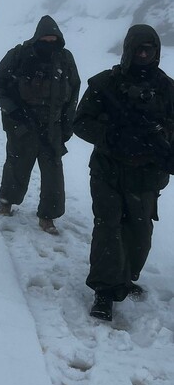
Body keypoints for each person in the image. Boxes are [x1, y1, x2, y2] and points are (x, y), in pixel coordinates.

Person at [73, 24, 174, 321]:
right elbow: (80, 122)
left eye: (149, 49)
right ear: (128, 50)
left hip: (147, 174)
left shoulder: (167, 89)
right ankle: (104, 291)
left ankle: (125, 277)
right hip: (108, 169)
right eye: (138, 49)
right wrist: (113, 136)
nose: (144, 55)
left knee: (139, 233)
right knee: (108, 227)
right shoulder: (106, 84)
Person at [0, 15, 80, 234]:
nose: (49, 44)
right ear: (37, 37)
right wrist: (13, 111)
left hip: (53, 126)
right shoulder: (19, 55)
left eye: (53, 40)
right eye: (45, 40)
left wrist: (68, 125)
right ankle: (6, 202)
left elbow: (73, 91)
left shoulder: (65, 59)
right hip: (22, 123)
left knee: (53, 173)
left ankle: (48, 216)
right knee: (16, 166)